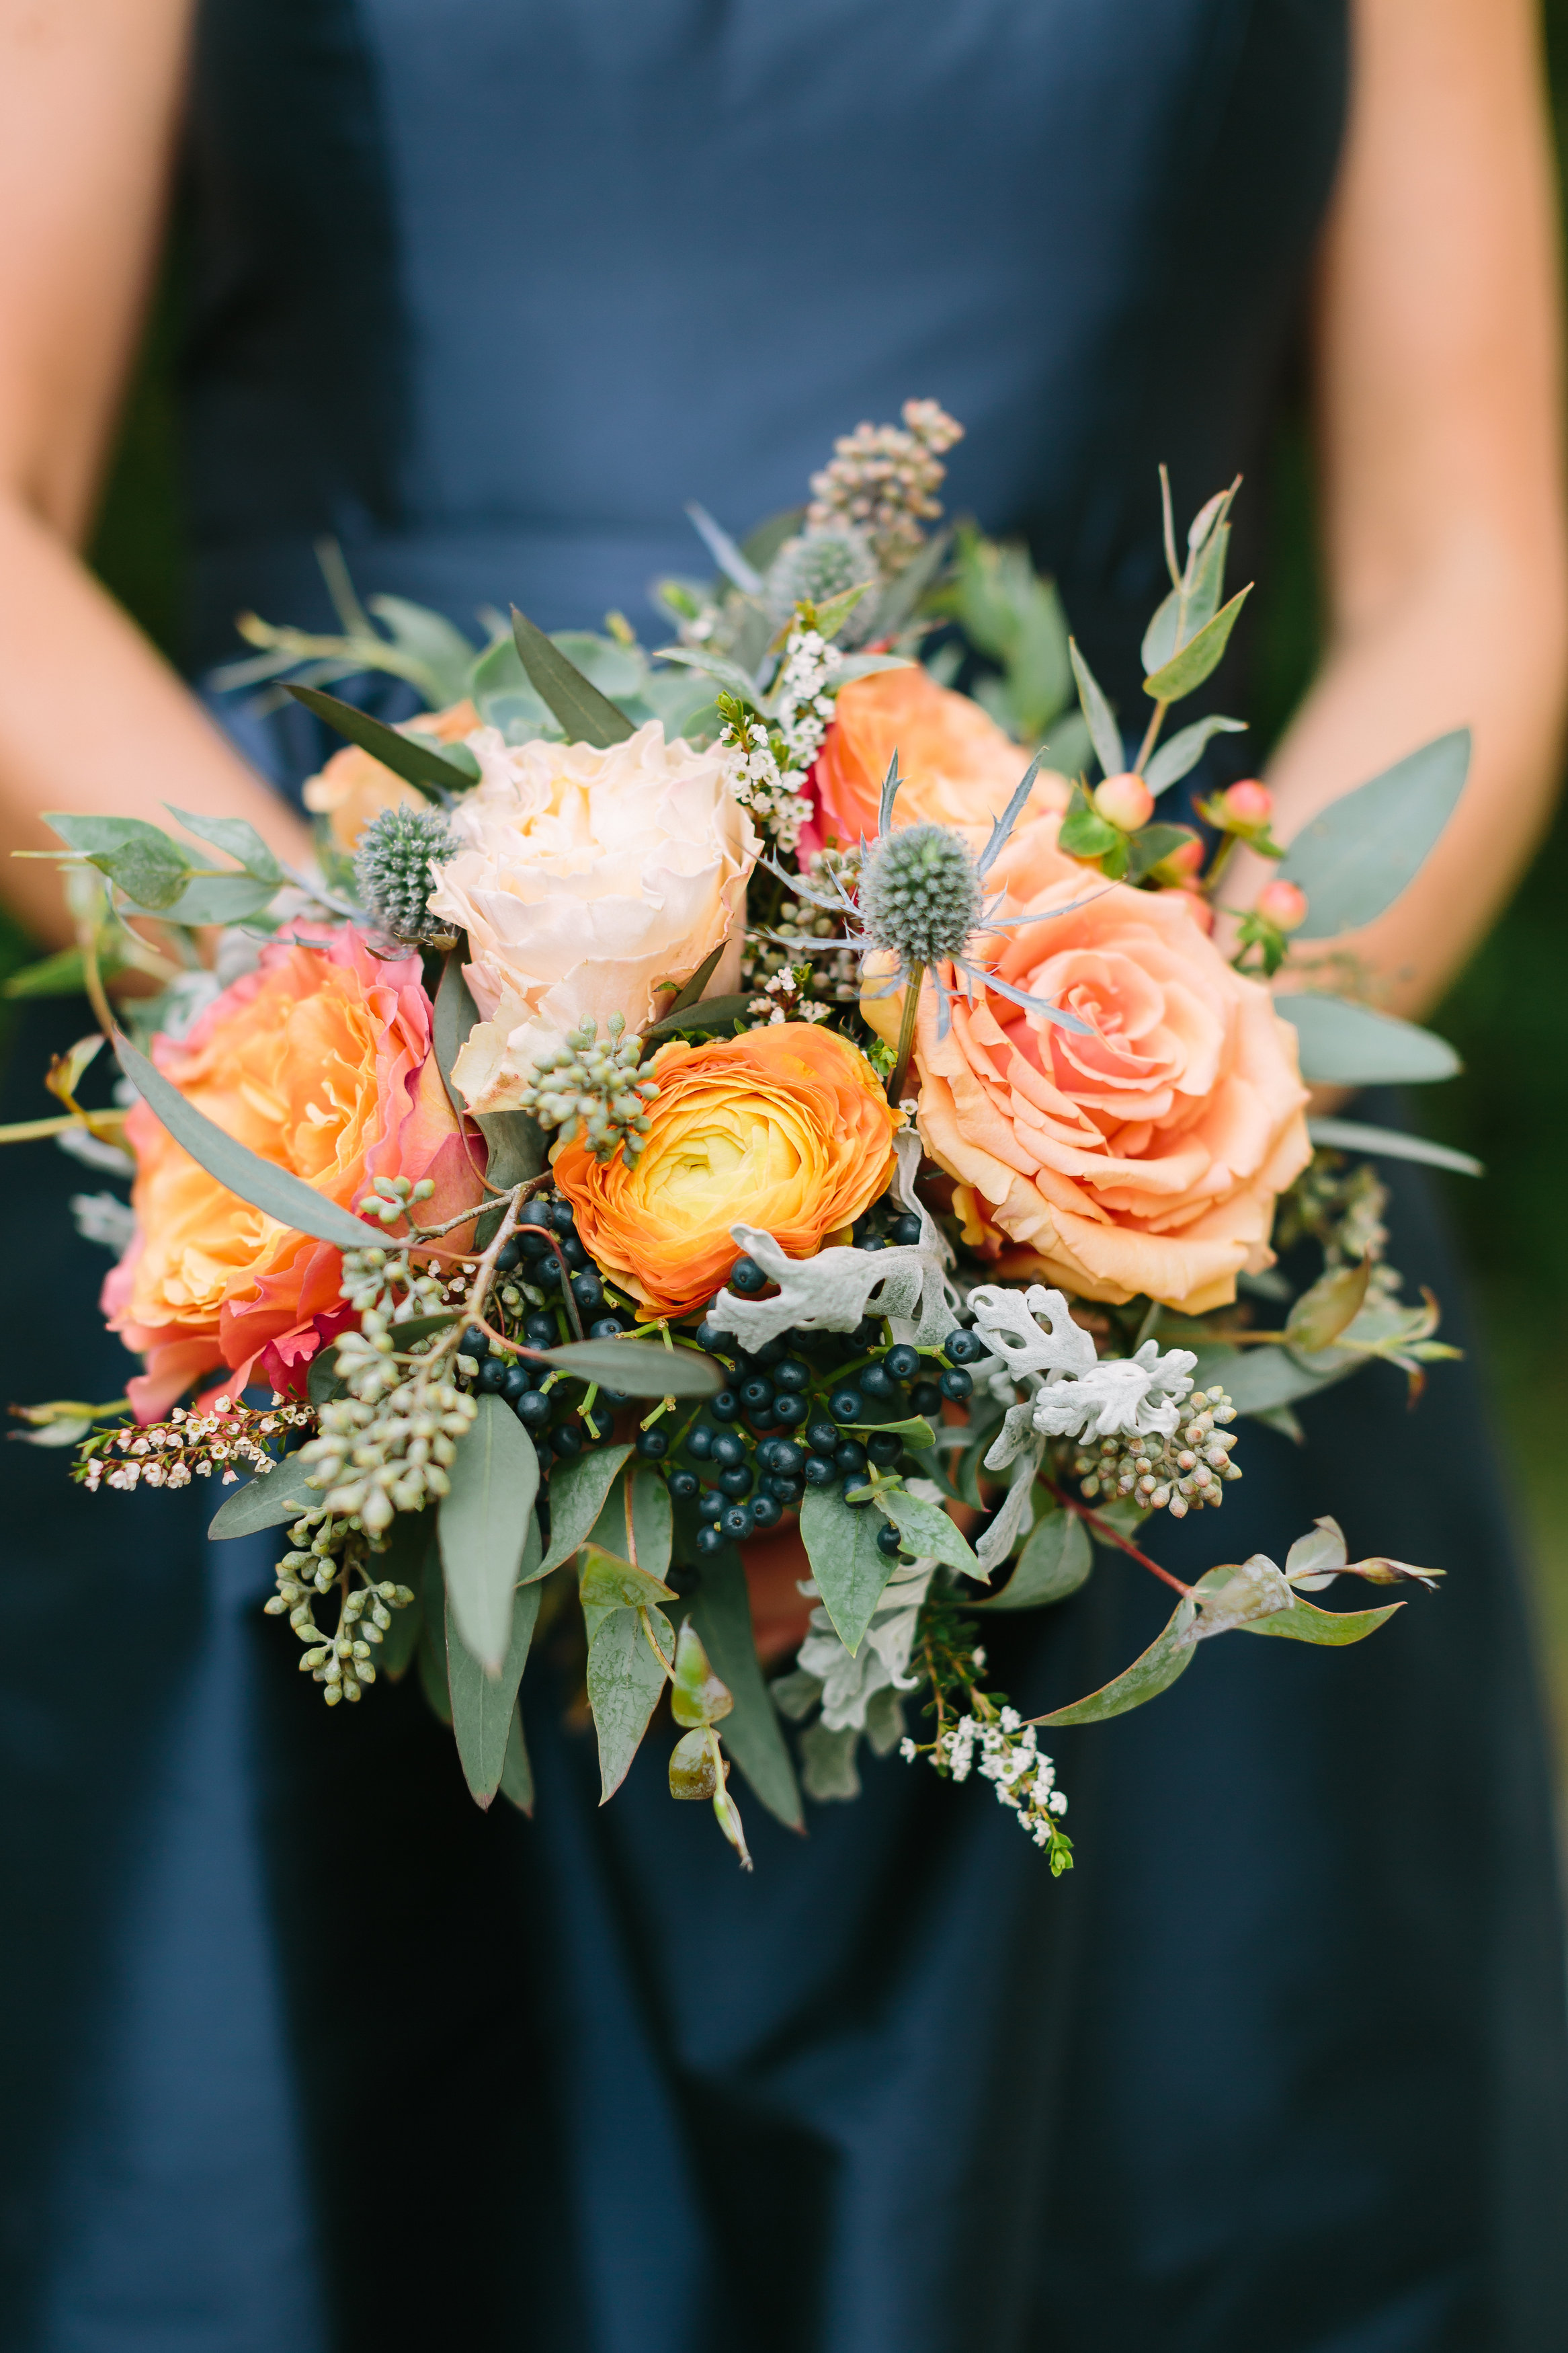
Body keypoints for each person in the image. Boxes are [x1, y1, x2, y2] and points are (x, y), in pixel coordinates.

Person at [1, 1, 1565, 2348]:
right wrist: (396, 1074)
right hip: (343, 1283)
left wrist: (1124, 1097)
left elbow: (1478, 563)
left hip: (1155, 1351)